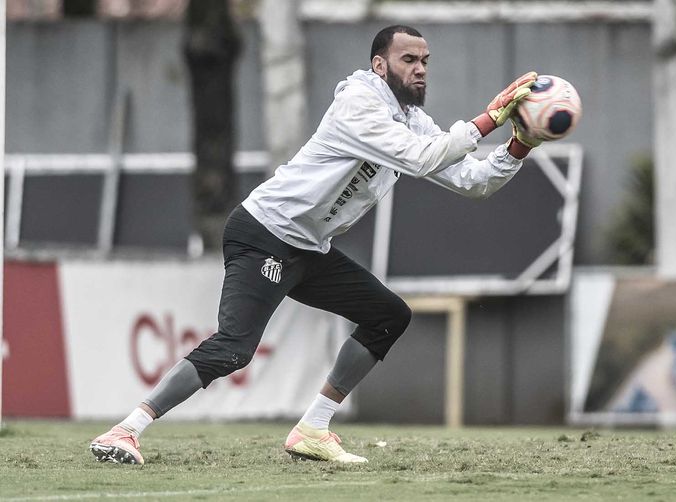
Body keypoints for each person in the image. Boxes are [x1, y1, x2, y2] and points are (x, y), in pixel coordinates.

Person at [89, 24, 540, 465]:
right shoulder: (359, 101)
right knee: (234, 348)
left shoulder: (411, 118)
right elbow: (421, 159)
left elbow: (471, 181)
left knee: (387, 316)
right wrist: (490, 117)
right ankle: (126, 429)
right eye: (409, 60)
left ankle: (312, 429)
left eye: (425, 61)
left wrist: (519, 144)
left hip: (308, 247)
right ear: (379, 65)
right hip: (264, 232)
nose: (420, 69)